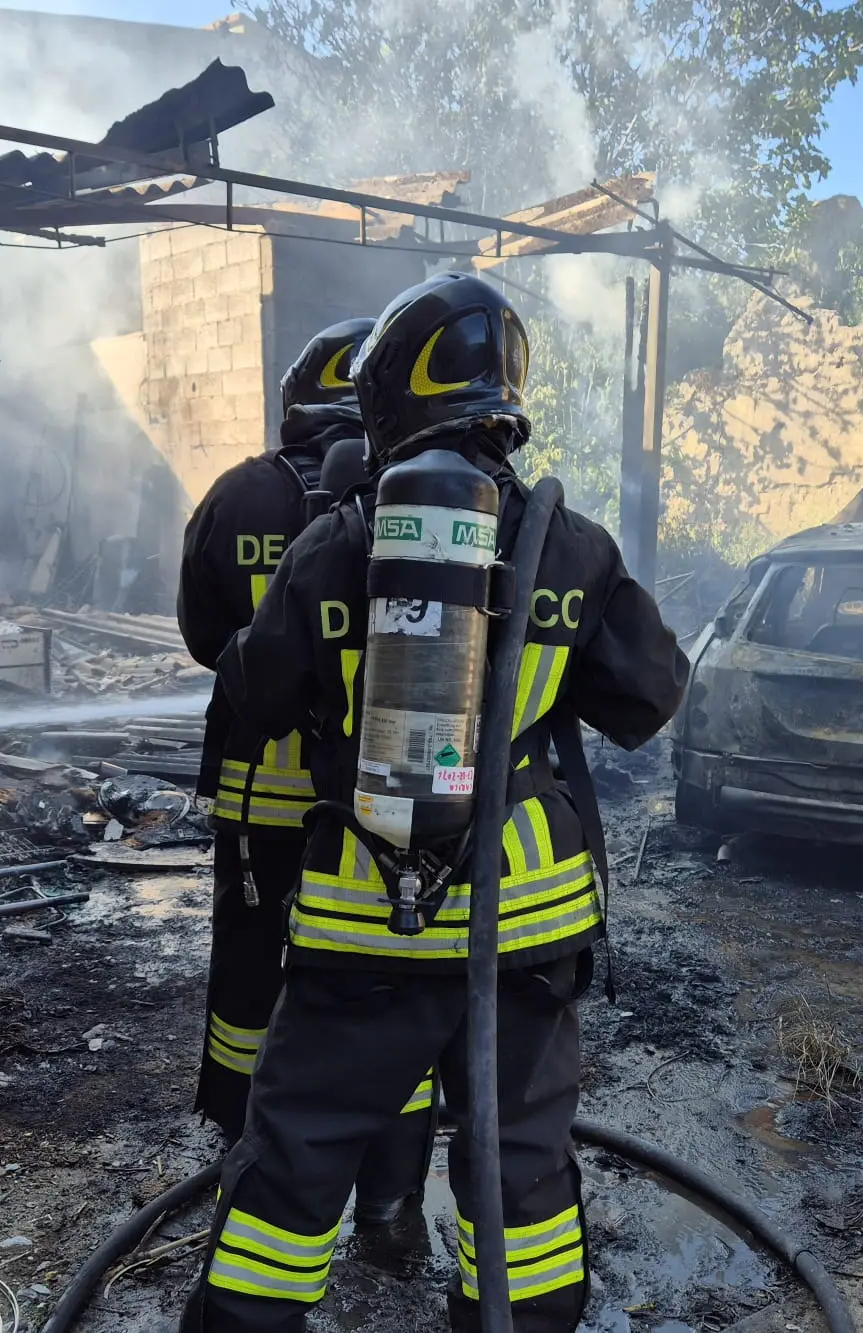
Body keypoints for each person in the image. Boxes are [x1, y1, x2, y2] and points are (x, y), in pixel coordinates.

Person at [182, 274, 689, 1332]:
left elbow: (252, 694)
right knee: (524, 1170)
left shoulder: (340, 538)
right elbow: (649, 695)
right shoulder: (573, 546)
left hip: (367, 919)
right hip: (525, 926)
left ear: (387, 407)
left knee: (298, 1158)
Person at [176, 318, 435, 1221]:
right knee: (374, 986)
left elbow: (210, 641)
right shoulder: (410, 508)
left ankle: (245, 1143)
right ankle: (387, 1179)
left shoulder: (234, 497)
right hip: (368, 810)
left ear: (293, 405)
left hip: (258, 800)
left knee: (250, 976)